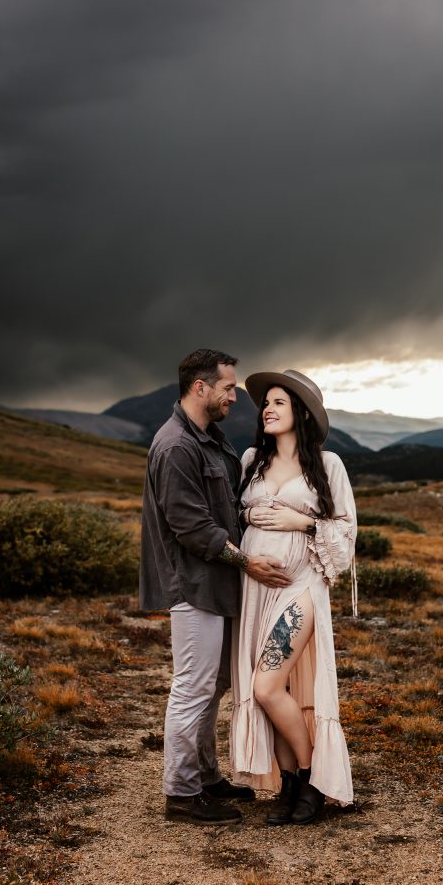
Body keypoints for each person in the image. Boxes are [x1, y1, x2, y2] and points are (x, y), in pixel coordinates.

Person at [140, 349, 291, 826]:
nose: (234, 395)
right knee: (193, 687)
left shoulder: (209, 440)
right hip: (194, 587)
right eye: (228, 387)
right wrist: (248, 562)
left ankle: (205, 777)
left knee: (215, 684)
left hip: (218, 586)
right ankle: (182, 794)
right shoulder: (176, 448)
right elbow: (191, 528)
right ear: (200, 387)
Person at [230, 369, 356, 825]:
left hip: (301, 586)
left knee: (266, 685)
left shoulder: (329, 465)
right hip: (254, 589)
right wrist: (250, 516)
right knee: (272, 691)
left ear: (300, 413)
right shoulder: (250, 461)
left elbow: (346, 535)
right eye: (265, 402)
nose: (267, 407)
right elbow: (234, 513)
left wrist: (301, 523)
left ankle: (310, 780)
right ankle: (288, 785)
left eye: (279, 402)